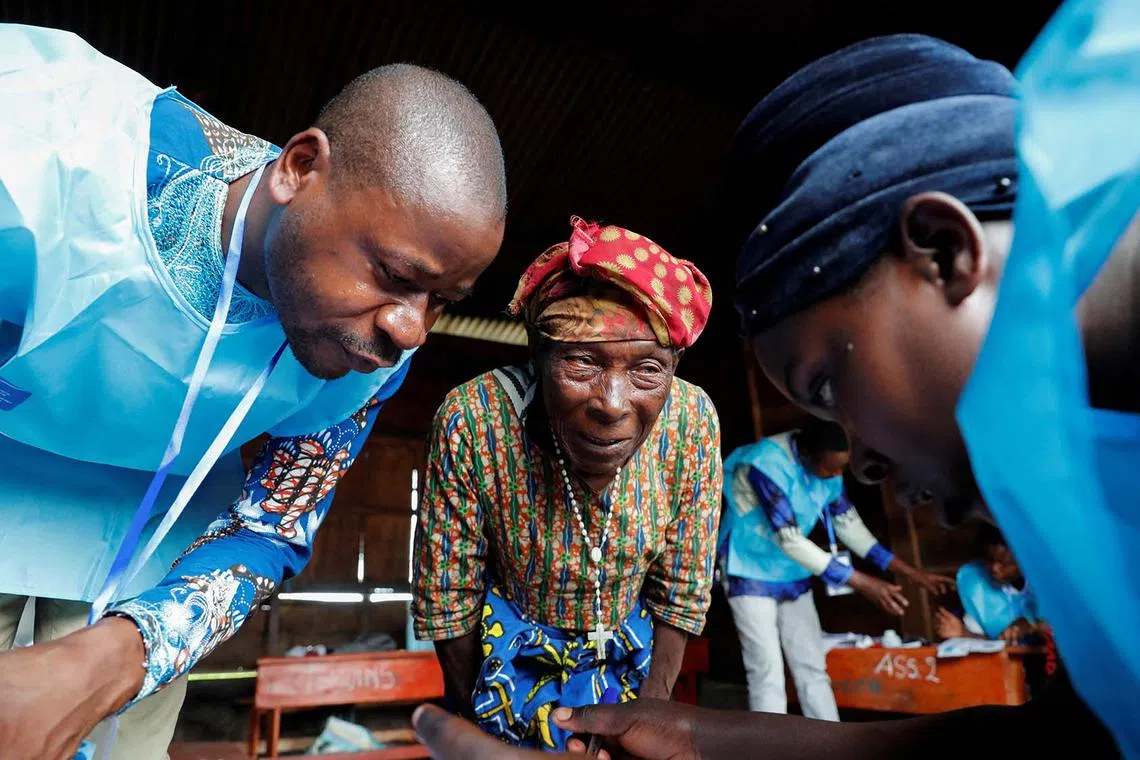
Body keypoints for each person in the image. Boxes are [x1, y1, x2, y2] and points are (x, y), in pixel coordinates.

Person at [406, 1, 1137, 756]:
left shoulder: (695, 425)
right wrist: (692, 735)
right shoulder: (1090, 484)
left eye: (828, 386)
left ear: (947, 253)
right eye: (583, 363)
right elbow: (1076, 737)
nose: (863, 463)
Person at [0, 23, 506, 760]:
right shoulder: (38, 147)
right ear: (299, 168)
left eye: (443, 300)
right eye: (398, 277)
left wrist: (117, 658)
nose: (412, 330)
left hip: (153, 564)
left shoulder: (374, 352)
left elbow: (272, 524)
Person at [411, 216, 721, 750]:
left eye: (648, 370)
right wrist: (472, 720)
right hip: (505, 656)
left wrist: (651, 712)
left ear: (674, 367)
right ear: (538, 353)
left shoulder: (692, 420)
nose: (613, 404)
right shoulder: (476, 419)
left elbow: (684, 588)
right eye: (582, 362)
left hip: (637, 661)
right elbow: (448, 594)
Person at [720, 418, 952, 719]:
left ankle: (829, 740)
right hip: (748, 569)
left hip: (791, 573)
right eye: (830, 468)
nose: (837, 475)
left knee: (812, 667)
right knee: (766, 672)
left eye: (841, 467)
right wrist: (863, 583)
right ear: (805, 456)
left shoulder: (829, 468)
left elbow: (848, 525)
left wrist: (909, 572)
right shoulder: (765, 464)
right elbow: (789, 538)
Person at [934, 523, 1046, 644]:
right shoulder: (977, 587)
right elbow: (989, 645)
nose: (994, 568)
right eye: (989, 560)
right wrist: (963, 633)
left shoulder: (1047, 582)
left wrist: (1032, 625)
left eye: (1003, 564)